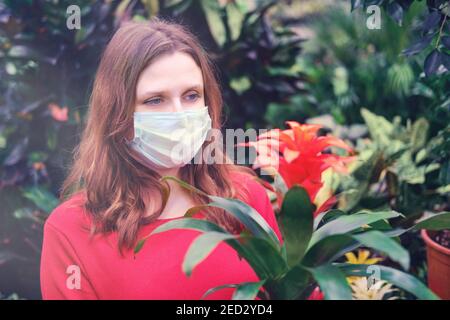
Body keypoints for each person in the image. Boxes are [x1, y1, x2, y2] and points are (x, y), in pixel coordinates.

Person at [40, 18, 283, 300]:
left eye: (192, 95)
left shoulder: (245, 198)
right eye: (155, 100)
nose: (179, 115)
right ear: (117, 114)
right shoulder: (73, 229)